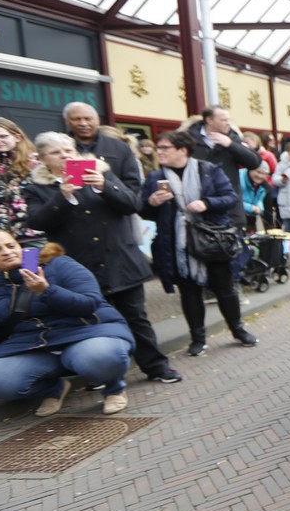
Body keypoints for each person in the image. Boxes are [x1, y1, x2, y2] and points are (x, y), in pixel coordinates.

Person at [24, 131, 182, 385]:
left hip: (120, 260)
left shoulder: (100, 172)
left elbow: (132, 204)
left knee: (136, 317)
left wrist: (104, 186)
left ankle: (156, 366)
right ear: (43, 159)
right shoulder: (37, 188)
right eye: (56, 152)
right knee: (93, 321)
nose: (65, 156)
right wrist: (62, 196)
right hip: (80, 265)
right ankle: (103, 374)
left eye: (69, 151)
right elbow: (37, 221)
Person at [0, 230, 134, 416]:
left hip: (86, 333)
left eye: (10, 246)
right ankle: (53, 389)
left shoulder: (59, 264)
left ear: (19, 245)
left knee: (101, 356)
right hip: (33, 347)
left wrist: (47, 291)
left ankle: (114, 388)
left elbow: (89, 303)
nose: (7, 252)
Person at [140, 130, 258, 356]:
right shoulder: (155, 178)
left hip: (212, 240)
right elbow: (142, 209)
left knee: (225, 289)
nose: (159, 152)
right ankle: (198, 338)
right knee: (189, 292)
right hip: (177, 244)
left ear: (182, 150)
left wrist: (206, 203)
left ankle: (238, 330)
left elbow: (230, 198)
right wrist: (151, 202)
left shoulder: (208, 170)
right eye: (158, 148)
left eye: (165, 148)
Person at [0, 116, 45, 247]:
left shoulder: (37, 163)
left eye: (3, 136)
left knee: (34, 261)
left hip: (34, 236)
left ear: (17, 137)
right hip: (1, 239)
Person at [184, 106, 261, 227]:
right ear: (209, 120)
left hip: (230, 207)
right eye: (223, 120)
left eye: (229, 120)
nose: (228, 123)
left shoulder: (233, 138)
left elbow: (254, 162)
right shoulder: (188, 140)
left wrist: (231, 145)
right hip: (199, 206)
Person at [63, 102, 143, 200]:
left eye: (88, 119)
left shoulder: (119, 147)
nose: (83, 123)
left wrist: (110, 190)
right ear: (67, 121)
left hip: (113, 205)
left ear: (98, 120)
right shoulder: (60, 149)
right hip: (73, 205)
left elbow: (133, 185)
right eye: (76, 119)